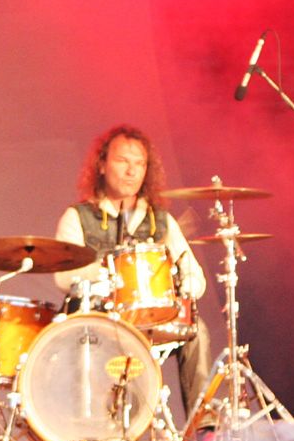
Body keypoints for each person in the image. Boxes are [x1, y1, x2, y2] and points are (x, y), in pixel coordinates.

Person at [54, 125, 210, 414]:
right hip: (99, 319)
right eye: (122, 161)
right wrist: (105, 275)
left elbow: (195, 276)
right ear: (102, 165)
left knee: (196, 329)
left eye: (139, 163)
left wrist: (184, 287)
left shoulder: (160, 220)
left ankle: (203, 425)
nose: (131, 171)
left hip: (151, 318)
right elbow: (63, 276)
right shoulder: (79, 217)